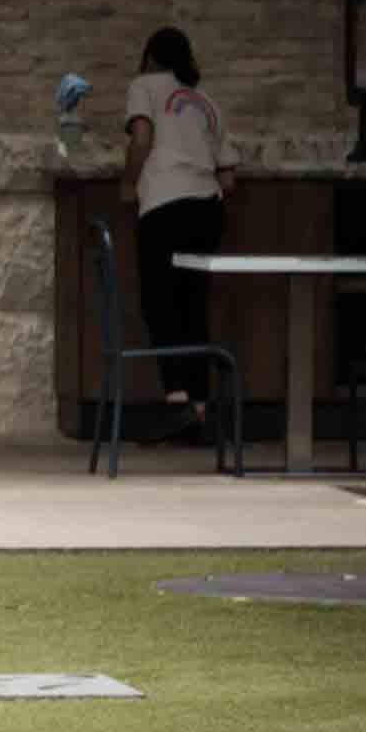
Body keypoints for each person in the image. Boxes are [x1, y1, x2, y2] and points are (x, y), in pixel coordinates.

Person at [123, 26, 238, 444]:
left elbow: (141, 138)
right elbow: (229, 180)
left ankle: (177, 405)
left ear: (151, 57)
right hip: (208, 210)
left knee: (160, 305)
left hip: (164, 208)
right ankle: (202, 409)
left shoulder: (144, 85)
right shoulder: (206, 102)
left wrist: (127, 183)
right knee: (193, 307)